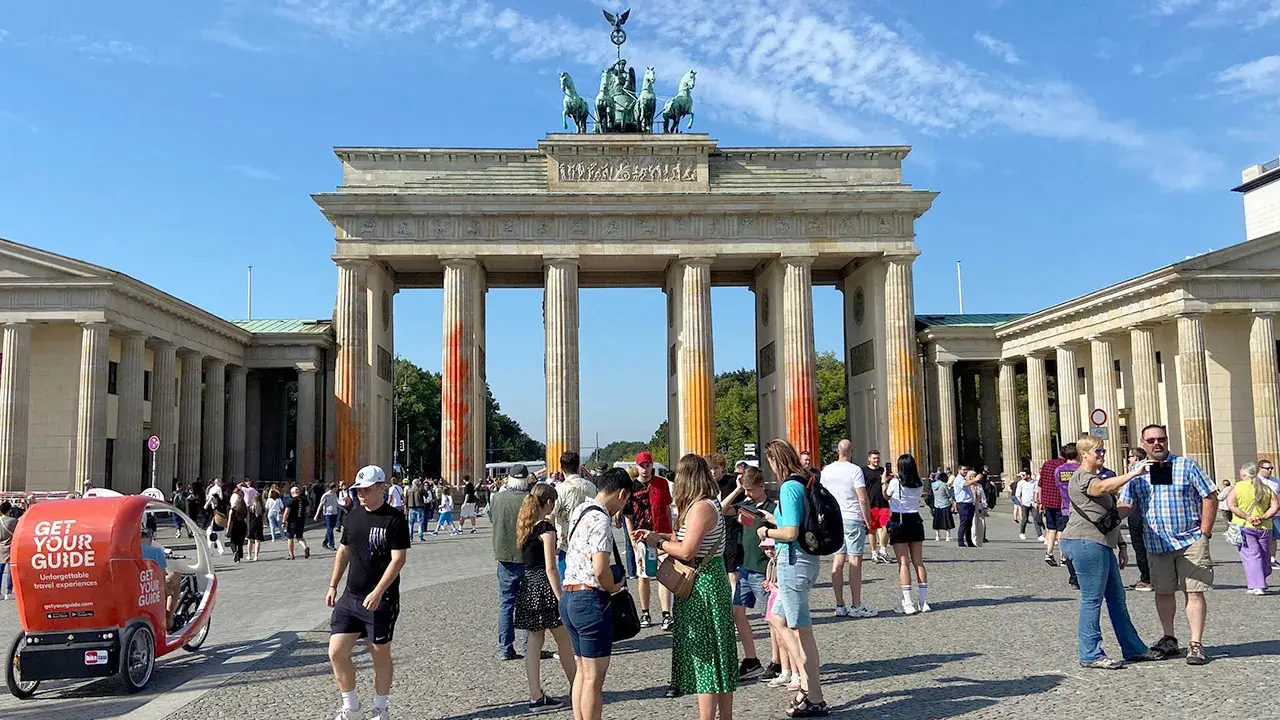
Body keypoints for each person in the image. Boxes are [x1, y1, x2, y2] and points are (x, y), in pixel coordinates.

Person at [634, 454, 737, 720]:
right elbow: (686, 538)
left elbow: (688, 548)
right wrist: (658, 536)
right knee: (717, 654)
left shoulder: (701, 507)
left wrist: (658, 544)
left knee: (706, 656)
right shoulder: (704, 503)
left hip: (702, 584)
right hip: (708, 578)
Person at [1118, 424, 1218, 666]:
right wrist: (1100, 516)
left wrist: (1205, 532)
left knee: (1194, 591)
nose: (1156, 444)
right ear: (1143, 443)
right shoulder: (1136, 472)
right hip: (1155, 542)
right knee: (1163, 592)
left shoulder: (1187, 465)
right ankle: (1169, 637)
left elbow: (1210, 495)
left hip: (1190, 539)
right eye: (1150, 440)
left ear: (1167, 440)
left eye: (1160, 439)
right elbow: (1126, 505)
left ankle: (1196, 643)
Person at [1059, 436, 1158, 669]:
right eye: (1098, 451)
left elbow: (1109, 516)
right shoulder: (1082, 477)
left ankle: (1133, 648)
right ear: (1084, 454)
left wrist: (1122, 545)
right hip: (1085, 542)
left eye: (1103, 450)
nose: (1102, 454)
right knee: (1092, 600)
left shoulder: (1096, 476)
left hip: (1102, 542)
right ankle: (1091, 653)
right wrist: (1134, 473)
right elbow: (1101, 489)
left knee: (1117, 599)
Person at [326, 465, 410, 720]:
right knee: (336, 652)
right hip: (350, 596)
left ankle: (381, 708)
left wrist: (378, 591)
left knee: (379, 654)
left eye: (366, 489)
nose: (360, 494)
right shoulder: (351, 516)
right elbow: (343, 551)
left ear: (381, 488)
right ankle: (351, 706)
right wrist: (333, 585)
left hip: (381, 599)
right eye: (358, 489)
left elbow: (398, 560)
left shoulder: (394, 519)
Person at [757, 440, 827, 717]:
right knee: (776, 618)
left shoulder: (788, 487)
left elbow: (790, 533)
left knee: (802, 631)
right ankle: (805, 682)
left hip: (793, 562)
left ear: (775, 461)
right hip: (805, 561)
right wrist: (772, 519)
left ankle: (814, 694)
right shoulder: (805, 481)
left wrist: (766, 532)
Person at [560, 468, 631, 720]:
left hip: (569, 596)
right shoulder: (601, 520)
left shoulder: (581, 509)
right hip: (590, 600)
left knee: (582, 671)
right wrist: (615, 587)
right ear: (622, 493)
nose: (622, 507)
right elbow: (600, 569)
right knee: (594, 677)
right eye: (625, 500)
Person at [514, 483, 575, 711]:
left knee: (534, 643)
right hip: (544, 587)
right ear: (549, 503)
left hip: (528, 586)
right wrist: (561, 596)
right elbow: (551, 567)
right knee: (564, 640)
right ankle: (576, 685)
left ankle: (535, 696)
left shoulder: (525, 527)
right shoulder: (546, 528)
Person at [724, 465, 778, 680]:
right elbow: (721, 509)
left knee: (773, 619)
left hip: (762, 569)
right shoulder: (744, 505)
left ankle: (776, 661)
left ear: (761, 486)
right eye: (745, 489)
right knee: (738, 613)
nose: (748, 493)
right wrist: (737, 491)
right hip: (744, 568)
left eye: (750, 489)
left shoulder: (770, 508)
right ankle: (751, 659)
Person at [820, 439, 875, 618]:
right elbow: (862, 498)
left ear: (838, 451)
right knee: (855, 561)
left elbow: (823, 496)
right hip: (852, 517)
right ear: (851, 451)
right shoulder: (855, 470)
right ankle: (856, 604)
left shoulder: (826, 470)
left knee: (837, 561)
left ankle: (839, 604)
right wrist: (868, 520)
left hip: (835, 519)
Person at [622, 451, 674, 631]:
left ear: (652, 466)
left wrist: (672, 531)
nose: (645, 469)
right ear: (637, 467)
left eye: (648, 465)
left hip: (662, 533)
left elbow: (667, 508)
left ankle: (667, 613)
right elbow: (627, 515)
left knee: (664, 573)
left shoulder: (662, 484)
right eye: (642, 466)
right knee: (643, 574)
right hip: (641, 536)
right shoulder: (631, 487)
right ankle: (645, 612)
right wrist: (631, 537)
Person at [492, 464, 533, 661]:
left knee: (506, 604)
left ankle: (504, 648)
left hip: (504, 556)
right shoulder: (530, 500)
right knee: (527, 605)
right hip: (527, 557)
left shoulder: (497, 498)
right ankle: (528, 647)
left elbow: (492, 519)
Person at [1224, 462, 1278, 595]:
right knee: (1264, 554)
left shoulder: (1238, 487)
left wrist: (1247, 517)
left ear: (1244, 473)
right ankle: (1262, 576)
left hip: (1245, 525)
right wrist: (1264, 516)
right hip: (1265, 526)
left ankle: (1257, 585)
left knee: (1251, 556)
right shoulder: (1266, 487)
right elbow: (1275, 505)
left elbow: (1231, 504)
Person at [886, 454, 930, 615]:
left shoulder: (895, 482)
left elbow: (886, 496)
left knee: (903, 562)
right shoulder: (919, 483)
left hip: (899, 519)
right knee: (918, 562)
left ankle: (908, 601)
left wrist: (885, 481)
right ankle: (923, 601)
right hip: (915, 520)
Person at [553, 451, 598, 583]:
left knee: (567, 583)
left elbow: (552, 513)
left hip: (566, 542)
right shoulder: (591, 487)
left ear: (561, 468)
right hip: (588, 541)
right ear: (578, 466)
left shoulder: (560, 489)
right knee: (588, 581)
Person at [1124, 447, 1154, 591]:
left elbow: (1126, 499)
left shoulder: (1135, 470)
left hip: (1137, 514)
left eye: (1129, 456)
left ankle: (1147, 579)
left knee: (1140, 547)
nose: (1128, 459)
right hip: (1154, 515)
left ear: (1136, 458)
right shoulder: (1160, 467)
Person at [1039, 448, 1070, 567]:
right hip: (1061, 502)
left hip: (1048, 501)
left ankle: (1049, 553)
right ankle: (1063, 557)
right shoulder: (1066, 467)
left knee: (1051, 528)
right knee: (1061, 530)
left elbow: (1040, 484)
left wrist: (1040, 500)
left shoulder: (1047, 464)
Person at [863, 451, 891, 564]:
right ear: (869, 459)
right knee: (872, 530)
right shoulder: (863, 471)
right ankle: (874, 552)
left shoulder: (883, 471)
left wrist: (888, 478)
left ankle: (883, 549)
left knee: (886, 527)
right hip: (871, 504)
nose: (876, 460)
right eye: (874, 458)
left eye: (878, 458)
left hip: (883, 503)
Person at [952, 467, 980, 548]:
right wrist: (976, 479)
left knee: (969, 524)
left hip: (969, 503)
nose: (965, 471)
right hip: (963, 503)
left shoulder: (964, 479)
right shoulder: (958, 479)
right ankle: (960, 541)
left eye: (966, 470)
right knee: (963, 523)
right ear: (959, 470)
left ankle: (969, 541)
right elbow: (966, 484)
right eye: (963, 470)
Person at [1260, 459, 1280, 569]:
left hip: (1275, 512)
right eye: (1267, 468)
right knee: (1262, 536)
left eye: (1271, 468)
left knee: (1273, 536)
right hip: (1261, 513)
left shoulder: (1275, 481)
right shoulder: (1256, 480)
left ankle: (1272, 558)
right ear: (1260, 469)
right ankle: (1262, 558)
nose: (1270, 470)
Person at [283, 485, 312, 560]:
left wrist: (283, 522)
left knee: (290, 538)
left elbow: (286, 512)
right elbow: (308, 510)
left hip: (292, 521)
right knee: (299, 537)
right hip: (301, 520)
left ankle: (291, 555)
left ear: (292, 493)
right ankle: (305, 547)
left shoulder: (291, 500)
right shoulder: (304, 499)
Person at [1015, 471, 1044, 542]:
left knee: (1036, 518)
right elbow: (1018, 493)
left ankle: (1039, 535)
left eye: (1023, 475)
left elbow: (1036, 492)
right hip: (1024, 503)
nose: (1022, 476)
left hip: (1032, 502)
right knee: (1024, 518)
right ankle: (1022, 532)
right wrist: (1021, 502)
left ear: (1028, 475)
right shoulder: (1020, 483)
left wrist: (1036, 501)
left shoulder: (1035, 482)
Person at [315, 482, 343, 551]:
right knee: (330, 529)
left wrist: (344, 510)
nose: (338, 488)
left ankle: (325, 542)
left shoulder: (334, 494)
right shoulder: (326, 495)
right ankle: (331, 545)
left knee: (330, 529)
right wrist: (316, 515)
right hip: (328, 514)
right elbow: (320, 505)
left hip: (334, 513)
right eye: (337, 487)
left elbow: (337, 503)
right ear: (333, 487)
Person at [930, 471, 955, 543]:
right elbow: (948, 494)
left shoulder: (933, 484)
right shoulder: (944, 485)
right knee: (947, 521)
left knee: (937, 521)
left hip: (936, 504)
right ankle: (947, 536)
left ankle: (937, 536)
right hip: (945, 504)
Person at [0, 502, 18, 599]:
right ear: (9, 510)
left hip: (0, 548)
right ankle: (8, 591)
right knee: (10, 571)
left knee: (0, 571)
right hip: (11, 547)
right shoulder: (14, 521)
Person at [227, 488, 249, 563]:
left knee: (232, 541)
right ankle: (239, 555)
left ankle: (235, 552)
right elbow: (246, 518)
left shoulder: (233, 510)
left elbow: (230, 520)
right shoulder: (245, 509)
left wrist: (228, 529)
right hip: (242, 525)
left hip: (234, 525)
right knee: (240, 542)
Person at [246, 491, 265, 562]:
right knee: (257, 541)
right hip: (259, 525)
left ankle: (249, 555)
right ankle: (256, 556)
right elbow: (263, 517)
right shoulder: (262, 508)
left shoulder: (250, 508)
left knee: (250, 541)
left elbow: (247, 518)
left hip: (251, 525)